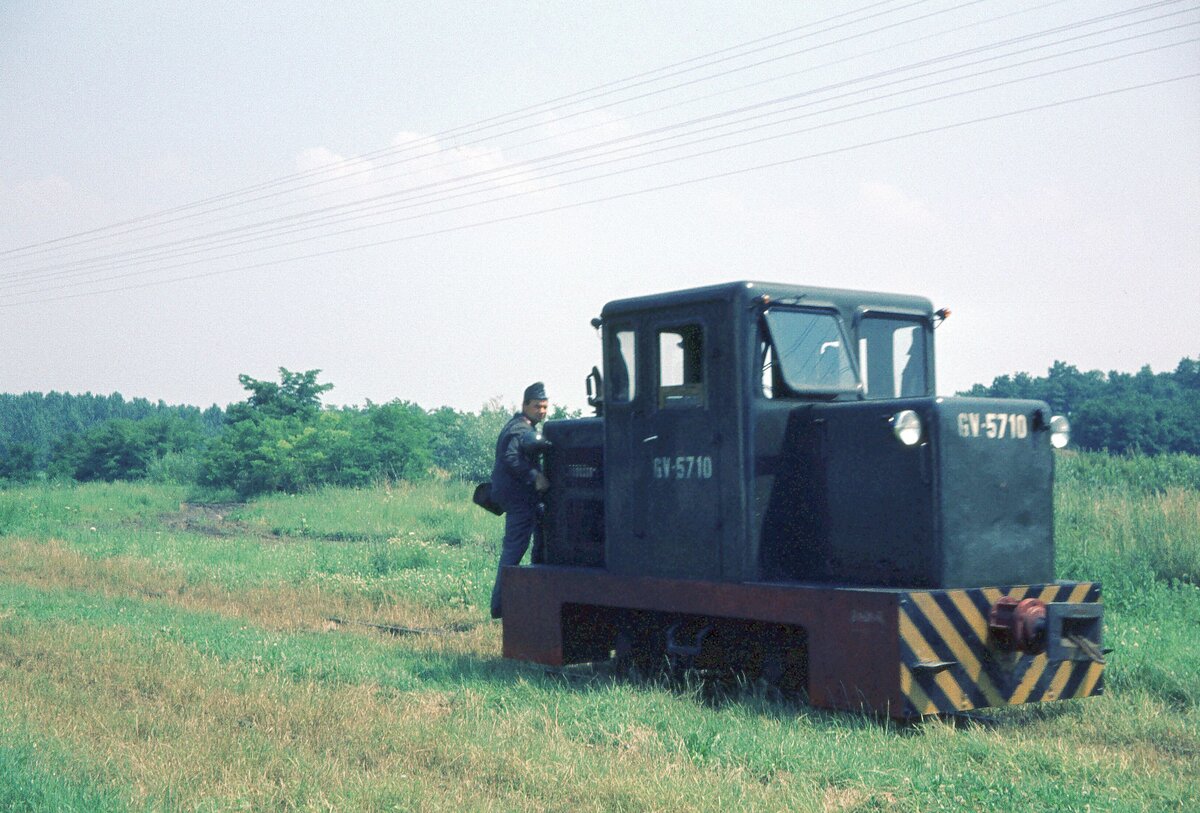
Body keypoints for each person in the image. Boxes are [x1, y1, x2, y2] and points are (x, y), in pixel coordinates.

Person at [489, 381, 551, 619]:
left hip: (521, 498)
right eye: (537, 406)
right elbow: (511, 457)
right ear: (525, 405)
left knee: (536, 545)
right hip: (519, 499)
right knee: (514, 549)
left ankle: (529, 602)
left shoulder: (519, 425)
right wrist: (534, 475)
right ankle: (500, 606)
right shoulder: (519, 430)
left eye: (545, 407)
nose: (542, 411)